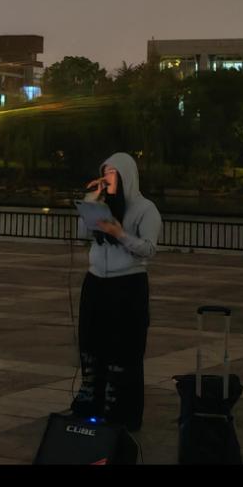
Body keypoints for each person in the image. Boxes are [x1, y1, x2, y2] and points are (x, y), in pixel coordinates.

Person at [71, 152, 161, 431]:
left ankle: (121, 408)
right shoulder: (103, 205)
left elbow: (148, 249)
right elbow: (83, 233)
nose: (107, 178)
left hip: (127, 285)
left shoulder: (145, 209)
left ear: (126, 177)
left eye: (112, 173)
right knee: (92, 341)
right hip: (96, 281)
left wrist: (120, 234)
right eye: (105, 172)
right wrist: (90, 202)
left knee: (123, 347)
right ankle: (92, 400)